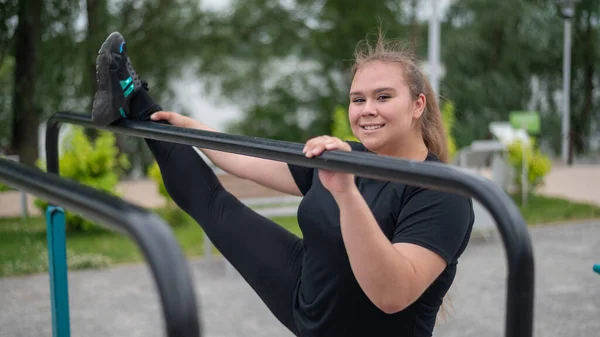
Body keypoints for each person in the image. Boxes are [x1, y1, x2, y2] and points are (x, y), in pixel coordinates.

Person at [91, 30, 474, 337]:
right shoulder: (347, 154)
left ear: (418, 105)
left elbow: (392, 295)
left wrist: (345, 191)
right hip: (305, 291)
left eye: (383, 97)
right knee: (212, 203)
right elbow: (246, 161)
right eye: (357, 99)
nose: (366, 109)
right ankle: (134, 100)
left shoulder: (441, 191)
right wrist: (192, 129)